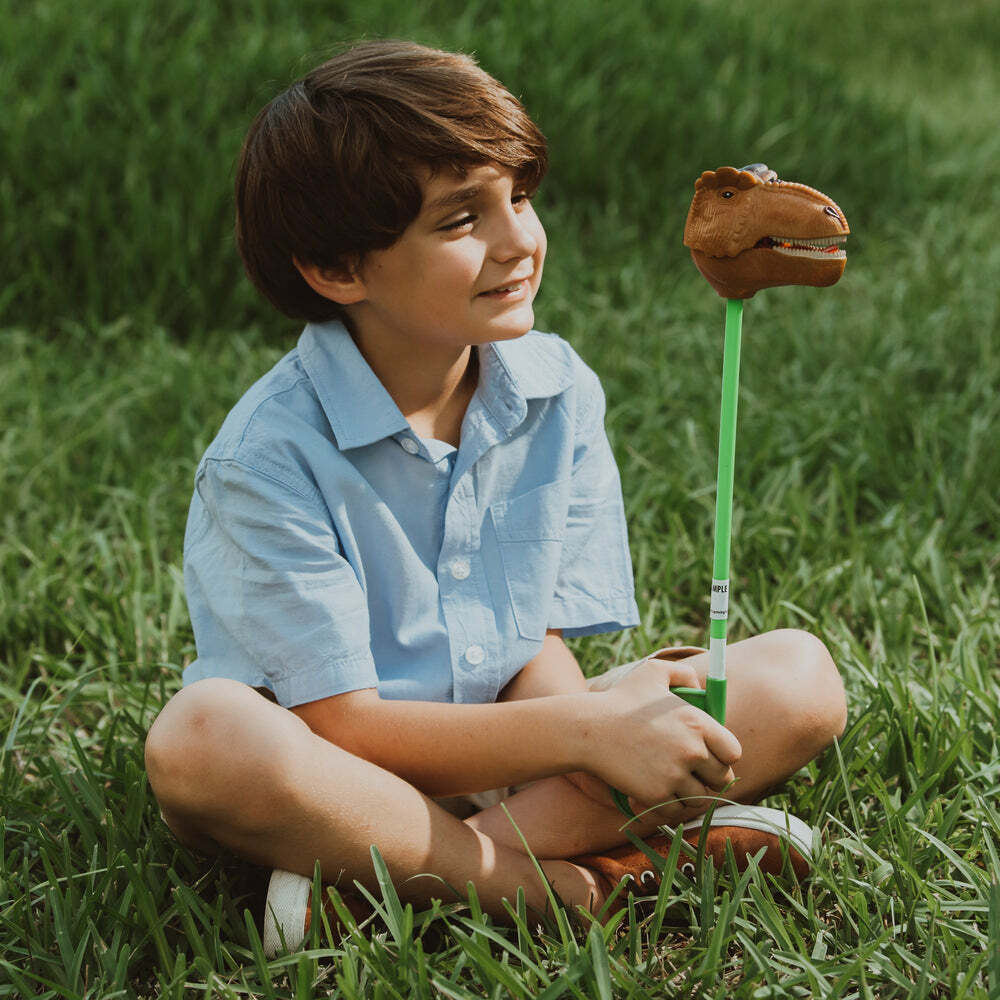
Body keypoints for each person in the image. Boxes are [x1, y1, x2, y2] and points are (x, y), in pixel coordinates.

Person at [143, 39, 847, 956]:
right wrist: (589, 731)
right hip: (340, 779)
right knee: (202, 739)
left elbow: (535, 643)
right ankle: (573, 883)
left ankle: (396, 888)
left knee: (797, 676)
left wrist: (594, 728)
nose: (519, 239)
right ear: (337, 269)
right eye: (459, 220)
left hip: (518, 761)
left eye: (518, 196)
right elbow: (341, 725)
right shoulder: (266, 459)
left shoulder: (554, 390)